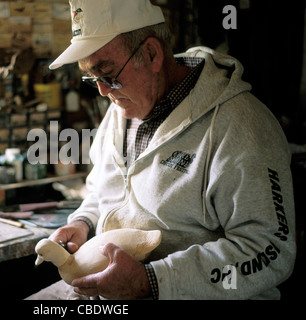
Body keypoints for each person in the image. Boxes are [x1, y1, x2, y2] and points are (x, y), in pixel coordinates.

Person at [26, 0, 296, 300]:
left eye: (108, 74)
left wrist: (152, 280)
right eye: (93, 79)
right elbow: (103, 192)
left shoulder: (240, 125)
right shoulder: (124, 102)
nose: (102, 91)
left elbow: (270, 251)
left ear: (152, 54)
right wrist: (83, 222)